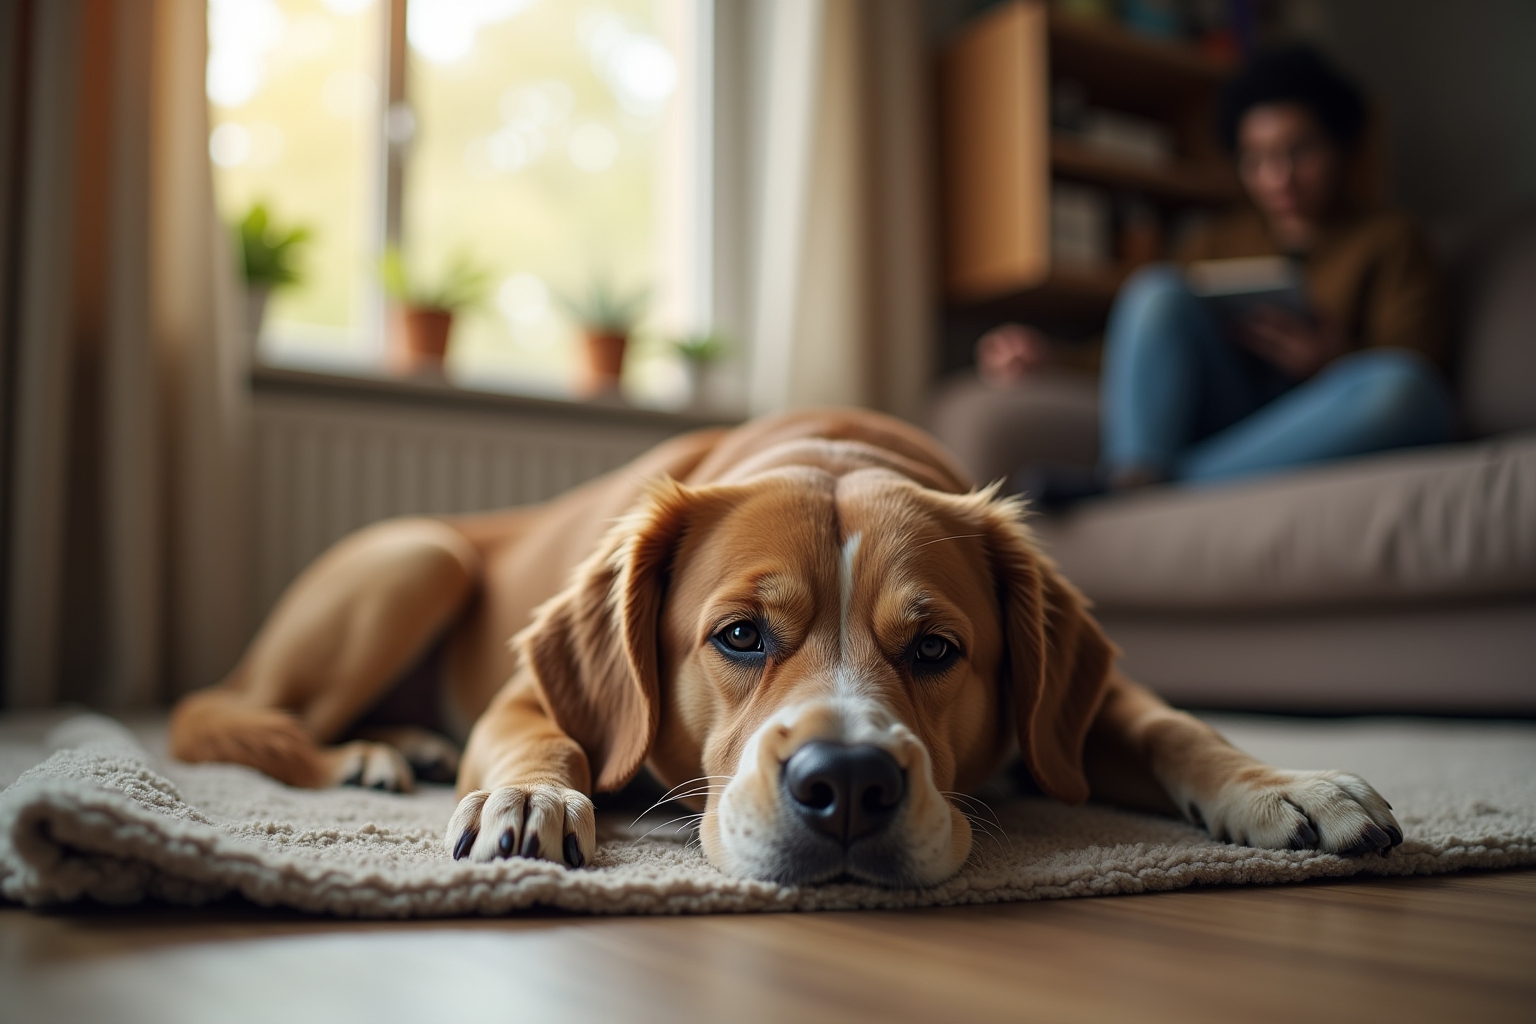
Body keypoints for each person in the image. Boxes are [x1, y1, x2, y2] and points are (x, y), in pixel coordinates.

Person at [1098, 44, 1453, 488]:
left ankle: (1154, 488)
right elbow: (1146, 355)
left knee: (1406, 389)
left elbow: (1416, 366)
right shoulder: (1213, 239)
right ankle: (1138, 470)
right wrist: (1048, 358)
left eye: (1299, 151)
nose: (1279, 177)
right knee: (1155, 289)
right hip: (1230, 412)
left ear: (1339, 148)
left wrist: (1332, 361)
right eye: (1258, 159)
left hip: (1316, 420)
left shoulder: (1389, 237)